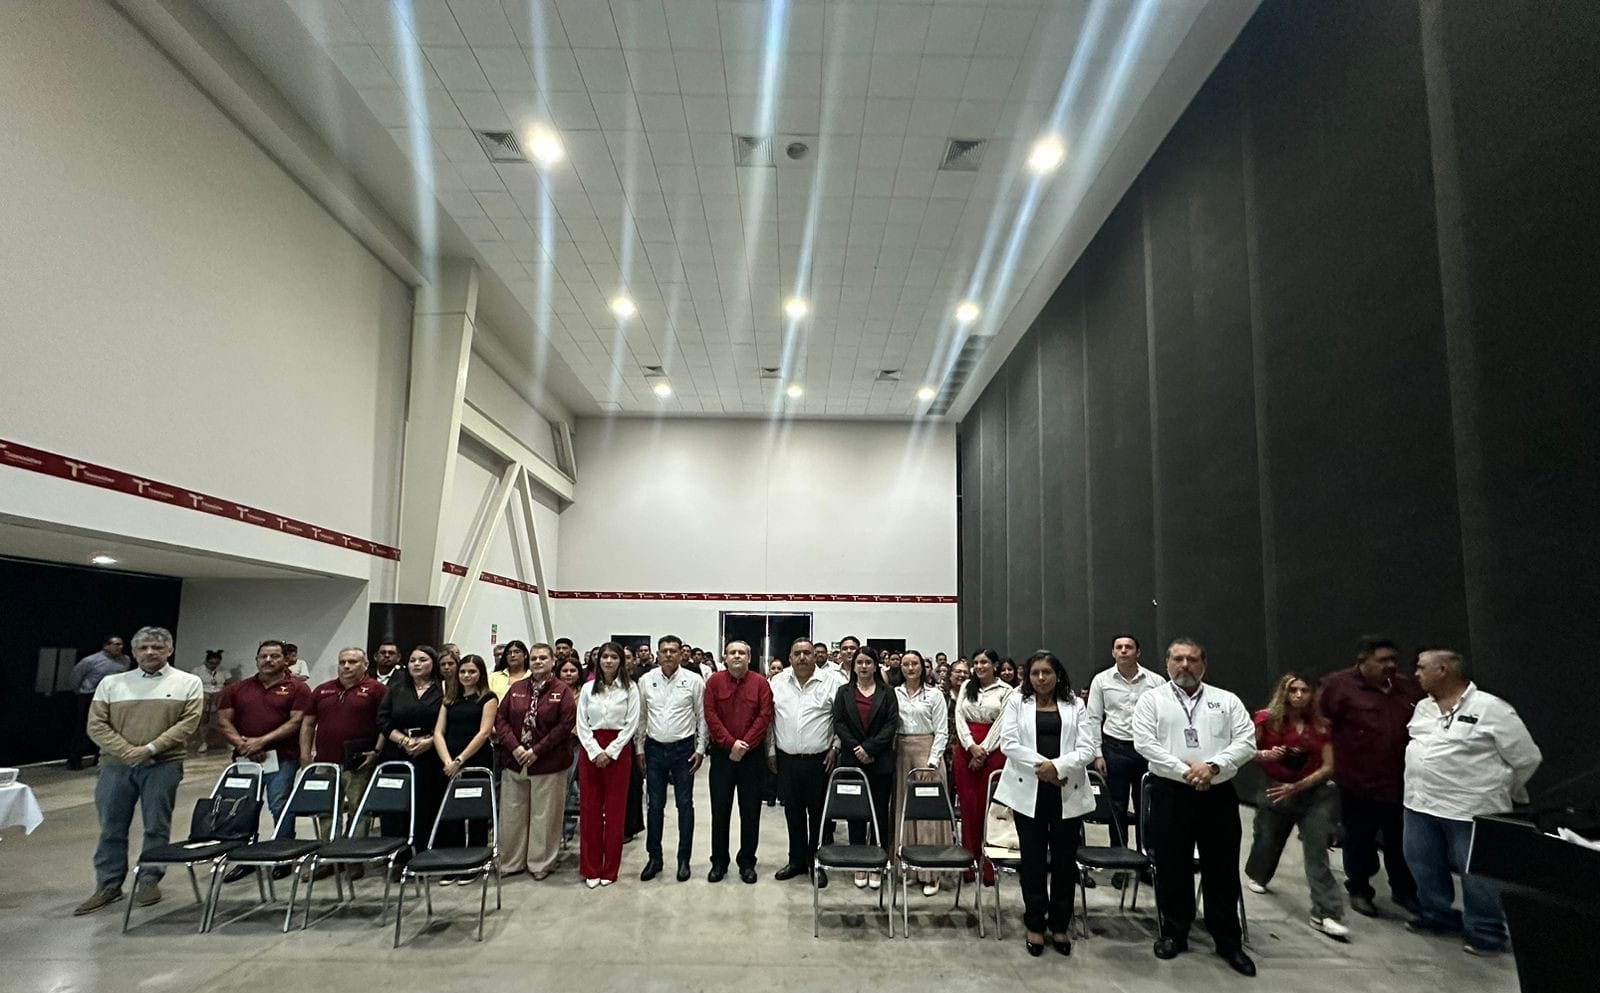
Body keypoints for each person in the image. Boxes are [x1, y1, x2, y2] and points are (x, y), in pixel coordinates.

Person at [1132, 638, 1258, 977]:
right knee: (1172, 866)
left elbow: (1246, 742)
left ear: (1204, 664)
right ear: (1167, 663)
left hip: (1217, 794)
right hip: (1170, 793)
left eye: (1191, 659)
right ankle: (1175, 932)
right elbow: (1144, 743)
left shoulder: (1226, 700)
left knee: (1222, 868)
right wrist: (1186, 772)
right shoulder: (1152, 700)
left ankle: (1228, 941)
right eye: (1178, 659)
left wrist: (1213, 767)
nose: (1184, 665)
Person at [1403, 649, 1541, 955]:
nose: (1416, 673)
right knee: (1423, 864)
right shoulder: (1424, 707)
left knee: (1477, 875)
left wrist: (1502, 789)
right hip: (1419, 804)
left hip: (1471, 810)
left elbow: (1527, 758)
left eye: (1421, 667)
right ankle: (1437, 916)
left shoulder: (1492, 708)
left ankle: (1486, 933)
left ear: (1442, 670)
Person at [73, 626, 202, 915]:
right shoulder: (111, 683)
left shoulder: (188, 682)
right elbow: (96, 725)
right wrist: (127, 751)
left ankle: (149, 879)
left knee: (156, 826)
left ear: (169, 650)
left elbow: (188, 723)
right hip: (116, 767)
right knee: (111, 827)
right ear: (134, 652)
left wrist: (150, 749)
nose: (150, 652)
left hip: (163, 765)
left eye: (157, 647)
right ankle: (108, 884)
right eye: (143, 648)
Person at [997, 651, 1098, 956]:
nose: (1041, 678)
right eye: (1035, 673)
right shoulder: (1017, 701)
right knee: (1033, 861)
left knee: (1065, 862)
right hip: (1029, 789)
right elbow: (1009, 743)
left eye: (1047, 672)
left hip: (1066, 789)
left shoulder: (1075, 704)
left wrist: (1058, 768)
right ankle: (1035, 923)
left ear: (1058, 674)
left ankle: (1060, 924)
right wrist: (1044, 768)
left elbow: (1087, 748)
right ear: (1027, 676)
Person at [1318, 636, 1426, 918]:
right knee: (1359, 839)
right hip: (1358, 782)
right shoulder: (1338, 686)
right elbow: (1321, 726)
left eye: (1394, 660)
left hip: (1401, 782)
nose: (1390, 665)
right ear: (1363, 660)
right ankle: (1359, 889)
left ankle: (1405, 891)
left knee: (1400, 842)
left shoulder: (1407, 688)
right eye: (1383, 660)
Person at [1244, 674, 1346, 939]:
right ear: (1284, 692)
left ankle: (1325, 912)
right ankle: (1258, 874)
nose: (1299, 695)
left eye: (1305, 690)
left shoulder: (1321, 726)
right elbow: (1245, 750)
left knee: (1317, 851)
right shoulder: (1265, 720)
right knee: (1268, 839)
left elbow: (1329, 766)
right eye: (1293, 690)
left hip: (1314, 793)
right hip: (1275, 788)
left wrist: (1298, 786)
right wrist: (1266, 754)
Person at [218, 640, 311, 859]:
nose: (268, 660)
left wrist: (261, 742)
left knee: (279, 804)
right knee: (242, 806)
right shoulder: (237, 688)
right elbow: (223, 721)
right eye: (263, 656)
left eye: (275, 656)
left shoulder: (298, 688)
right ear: (257, 660)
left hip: (283, 758)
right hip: (245, 758)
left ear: (285, 660)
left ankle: (283, 852)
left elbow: (296, 721)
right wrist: (244, 745)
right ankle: (244, 854)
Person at [1086, 635, 1165, 881]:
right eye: (1118, 647)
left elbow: (1163, 719)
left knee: (1146, 808)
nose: (1123, 651)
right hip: (1115, 748)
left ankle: (1147, 862)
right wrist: (1097, 753)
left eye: (1128, 647)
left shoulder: (1156, 681)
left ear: (1137, 652)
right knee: (1117, 808)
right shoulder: (1101, 680)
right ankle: (1120, 862)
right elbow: (1093, 718)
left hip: (1146, 750)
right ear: (1113, 652)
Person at [494, 642, 576, 879]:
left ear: (553, 661)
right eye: (534, 658)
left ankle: (540, 864)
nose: (538, 662)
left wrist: (537, 750)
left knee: (545, 816)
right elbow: (501, 719)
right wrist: (515, 747)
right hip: (515, 762)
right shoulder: (517, 688)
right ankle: (511, 862)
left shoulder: (562, 691)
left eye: (543, 658)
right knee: (512, 814)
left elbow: (564, 726)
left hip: (548, 763)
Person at [635, 635, 707, 882]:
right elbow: (641, 717)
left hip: (683, 750)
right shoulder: (646, 680)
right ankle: (654, 858)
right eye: (664, 650)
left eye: (673, 650)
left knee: (684, 805)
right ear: (657, 654)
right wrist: (639, 749)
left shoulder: (693, 681)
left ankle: (683, 859)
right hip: (654, 749)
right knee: (655, 805)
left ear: (680, 654)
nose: (668, 654)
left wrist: (701, 748)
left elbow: (702, 717)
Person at [299, 647, 386, 851]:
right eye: (342, 662)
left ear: (365, 665)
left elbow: (386, 724)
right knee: (326, 809)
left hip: (359, 762)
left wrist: (377, 751)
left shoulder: (377, 690)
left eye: (353, 662)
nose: (346, 666)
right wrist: (305, 755)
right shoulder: (322, 690)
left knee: (359, 809)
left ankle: (353, 853)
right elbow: (308, 724)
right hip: (325, 761)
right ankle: (328, 852)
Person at [767, 638, 838, 883]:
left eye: (806, 652)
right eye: (796, 653)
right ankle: (796, 860)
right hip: (787, 760)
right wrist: (770, 751)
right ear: (789, 657)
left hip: (820, 760)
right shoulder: (777, 682)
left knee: (818, 814)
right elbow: (770, 720)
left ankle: (816, 862)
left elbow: (841, 719)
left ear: (814, 656)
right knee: (793, 812)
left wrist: (836, 747)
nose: (802, 657)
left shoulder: (832, 682)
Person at [704, 639, 773, 884]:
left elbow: (765, 716)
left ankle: (747, 862)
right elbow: (710, 714)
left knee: (750, 812)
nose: (736, 656)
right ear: (725, 657)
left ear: (749, 658)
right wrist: (730, 743)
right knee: (720, 811)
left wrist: (744, 744)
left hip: (751, 757)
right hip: (722, 756)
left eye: (741, 653)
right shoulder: (714, 682)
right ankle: (719, 862)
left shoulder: (760, 683)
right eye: (732, 652)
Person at [832, 647, 899, 889]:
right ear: (854, 666)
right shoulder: (843, 692)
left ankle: (877, 862)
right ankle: (859, 861)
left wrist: (869, 748)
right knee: (855, 812)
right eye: (859, 662)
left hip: (879, 761)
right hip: (853, 761)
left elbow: (892, 724)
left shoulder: (887, 692)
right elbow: (839, 722)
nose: (863, 666)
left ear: (875, 665)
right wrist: (857, 748)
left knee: (879, 812)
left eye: (868, 662)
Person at [576, 642, 640, 888]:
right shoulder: (587, 688)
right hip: (591, 748)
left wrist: (611, 751)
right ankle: (590, 867)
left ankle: (610, 868)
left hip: (619, 750)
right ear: (598, 660)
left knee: (615, 811)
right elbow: (582, 723)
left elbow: (631, 723)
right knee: (590, 809)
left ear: (621, 661)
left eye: (614, 657)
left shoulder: (630, 688)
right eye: (605, 657)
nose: (609, 661)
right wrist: (594, 751)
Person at [434, 653, 498, 874]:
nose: (466, 675)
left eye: (472, 671)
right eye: (463, 671)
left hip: (475, 760)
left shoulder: (488, 698)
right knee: (452, 813)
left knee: (475, 812)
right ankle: (452, 862)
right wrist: (448, 761)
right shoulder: (450, 699)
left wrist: (460, 760)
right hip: (448, 763)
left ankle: (474, 863)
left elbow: (484, 732)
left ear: (480, 674)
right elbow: (438, 732)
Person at [892, 650, 950, 896]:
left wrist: (932, 761)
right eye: (906, 664)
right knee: (905, 812)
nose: (910, 668)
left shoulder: (934, 695)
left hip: (927, 755)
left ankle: (931, 873)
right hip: (901, 755)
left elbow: (942, 731)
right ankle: (908, 868)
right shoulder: (894, 693)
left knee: (928, 815)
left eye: (914, 663)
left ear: (922, 667)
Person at [375, 646, 445, 847]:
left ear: (433, 663)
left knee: (425, 802)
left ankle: (425, 848)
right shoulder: (396, 689)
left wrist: (430, 741)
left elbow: (450, 722)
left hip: (431, 752)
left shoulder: (443, 689)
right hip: (398, 751)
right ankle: (396, 850)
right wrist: (404, 741)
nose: (416, 664)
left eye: (422, 660)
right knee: (396, 803)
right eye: (413, 660)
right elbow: (383, 720)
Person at [954, 648, 1012, 883]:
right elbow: (959, 716)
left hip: (993, 752)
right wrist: (971, 746)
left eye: (984, 662)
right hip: (965, 750)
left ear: (995, 665)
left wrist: (983, 750)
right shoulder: (967, 687)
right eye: (976, 662)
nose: (979, 666)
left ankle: (989, 866)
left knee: (989, 808)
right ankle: (968, 863)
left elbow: (1003, 723)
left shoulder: (1006, 691)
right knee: (968, 808)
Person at [68, 635, 132, 769]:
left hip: (113, 697)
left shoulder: (125, 660)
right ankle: (75, 759)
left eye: (121, 644)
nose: (120, 647)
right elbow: (75, 676)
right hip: (91, 696)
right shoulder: (91, 660)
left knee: (109, 727)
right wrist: (80, 691)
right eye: (116, 644)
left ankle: (100, 757)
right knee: (85, 727)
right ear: (106, 646)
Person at [558, 658, 584, 844]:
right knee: (561, 787)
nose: (568, 674)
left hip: (578, 743)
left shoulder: (586, 692)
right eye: (565, 670)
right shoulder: (552, 691)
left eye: (572, 670)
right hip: (555, 744)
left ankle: (568, 829)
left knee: (571, 786)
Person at [193, 648, 236, 754]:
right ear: (206, 661)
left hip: (219, 696)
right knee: (203, 720)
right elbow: (193, 686)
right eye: (211, 663)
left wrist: (222, 694)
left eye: (216, 663)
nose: (214, 665)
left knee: (222, 720)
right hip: (203, 695)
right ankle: (203, 742)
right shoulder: (197, 671)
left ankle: (228, 742)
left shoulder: (223, 671)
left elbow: (230, 685)